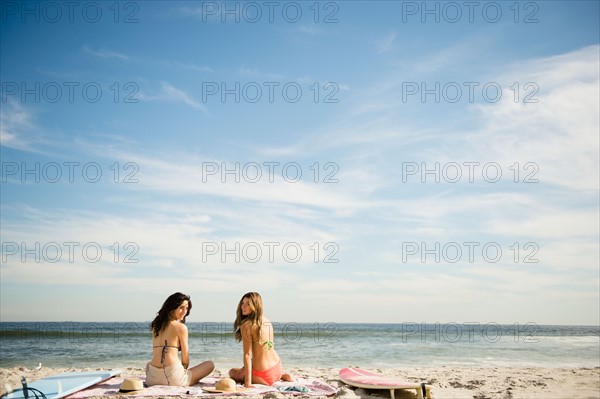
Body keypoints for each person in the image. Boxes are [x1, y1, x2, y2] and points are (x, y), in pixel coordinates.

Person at [146, 292, 214, 386]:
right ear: (172, 307)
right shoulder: (181, 327)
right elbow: (185, 360)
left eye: (186, 308)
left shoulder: (156, 327)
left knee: (148, 364)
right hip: (173, 379)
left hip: (151, 380)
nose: (184, 311)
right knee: (210, 364)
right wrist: (183, 371)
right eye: (181, 307)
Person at [229, 292, 293, 387]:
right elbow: (266, 347)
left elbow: (247, 355)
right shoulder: (267, 320)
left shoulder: (247, 325)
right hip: (277, 367)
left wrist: (247, 382)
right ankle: (281, 376)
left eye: (248, 304)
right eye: (243, 303)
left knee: (232, 372)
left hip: (264, 376)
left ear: (255, 305)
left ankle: (270, 377)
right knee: (244, 368)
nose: (243, 306)